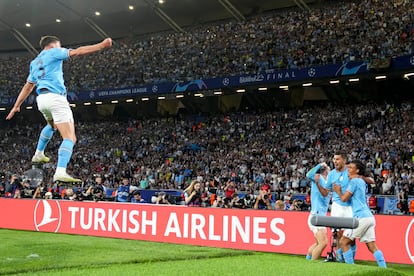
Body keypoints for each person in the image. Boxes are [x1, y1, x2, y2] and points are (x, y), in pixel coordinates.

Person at [6, 35, 112, 182]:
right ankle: (60, 171)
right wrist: (101, 46)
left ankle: (39, 153)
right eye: (59, 45)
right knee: (70, 137)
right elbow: (77, 52)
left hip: (41, 99)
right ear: (53, 45)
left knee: (52, 125)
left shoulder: (34, 62)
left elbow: (28, 86)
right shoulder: (54, 51)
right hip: (56, 98)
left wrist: (16, 106)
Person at [333, 160, 387, 268]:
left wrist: (338, 191)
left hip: (360, 217)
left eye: (351, 168)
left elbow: (344, 199)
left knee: (343, 242)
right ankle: (384, 268)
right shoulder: (361, 181)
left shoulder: (354, 182)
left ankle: (350, 269)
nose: (348, 170)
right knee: (372, 246)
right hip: (369, 217)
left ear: (357, 170)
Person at [325, 151, 374, 261]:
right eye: (334, 159)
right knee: (337, 234)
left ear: (344, 160)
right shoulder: (332, 173)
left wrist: (360, 177)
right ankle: (339, 258)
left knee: (349, 235)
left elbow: (371, 180)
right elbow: (327, 189)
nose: (335, 161)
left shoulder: (351, 169)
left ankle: (350, 258)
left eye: (337, 159)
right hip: (337, 206)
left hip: (350, 207)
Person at [305, 162, 331, 260]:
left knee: (318, 243)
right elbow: (308, 174)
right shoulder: (318, 178)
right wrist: (320, 165)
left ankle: (308, 259)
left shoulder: (328, 181)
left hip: (320, 216)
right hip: (316, 216)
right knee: (323, 243)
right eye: (328, 168)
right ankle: (312, 265)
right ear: (324, 171)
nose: (330, 169)